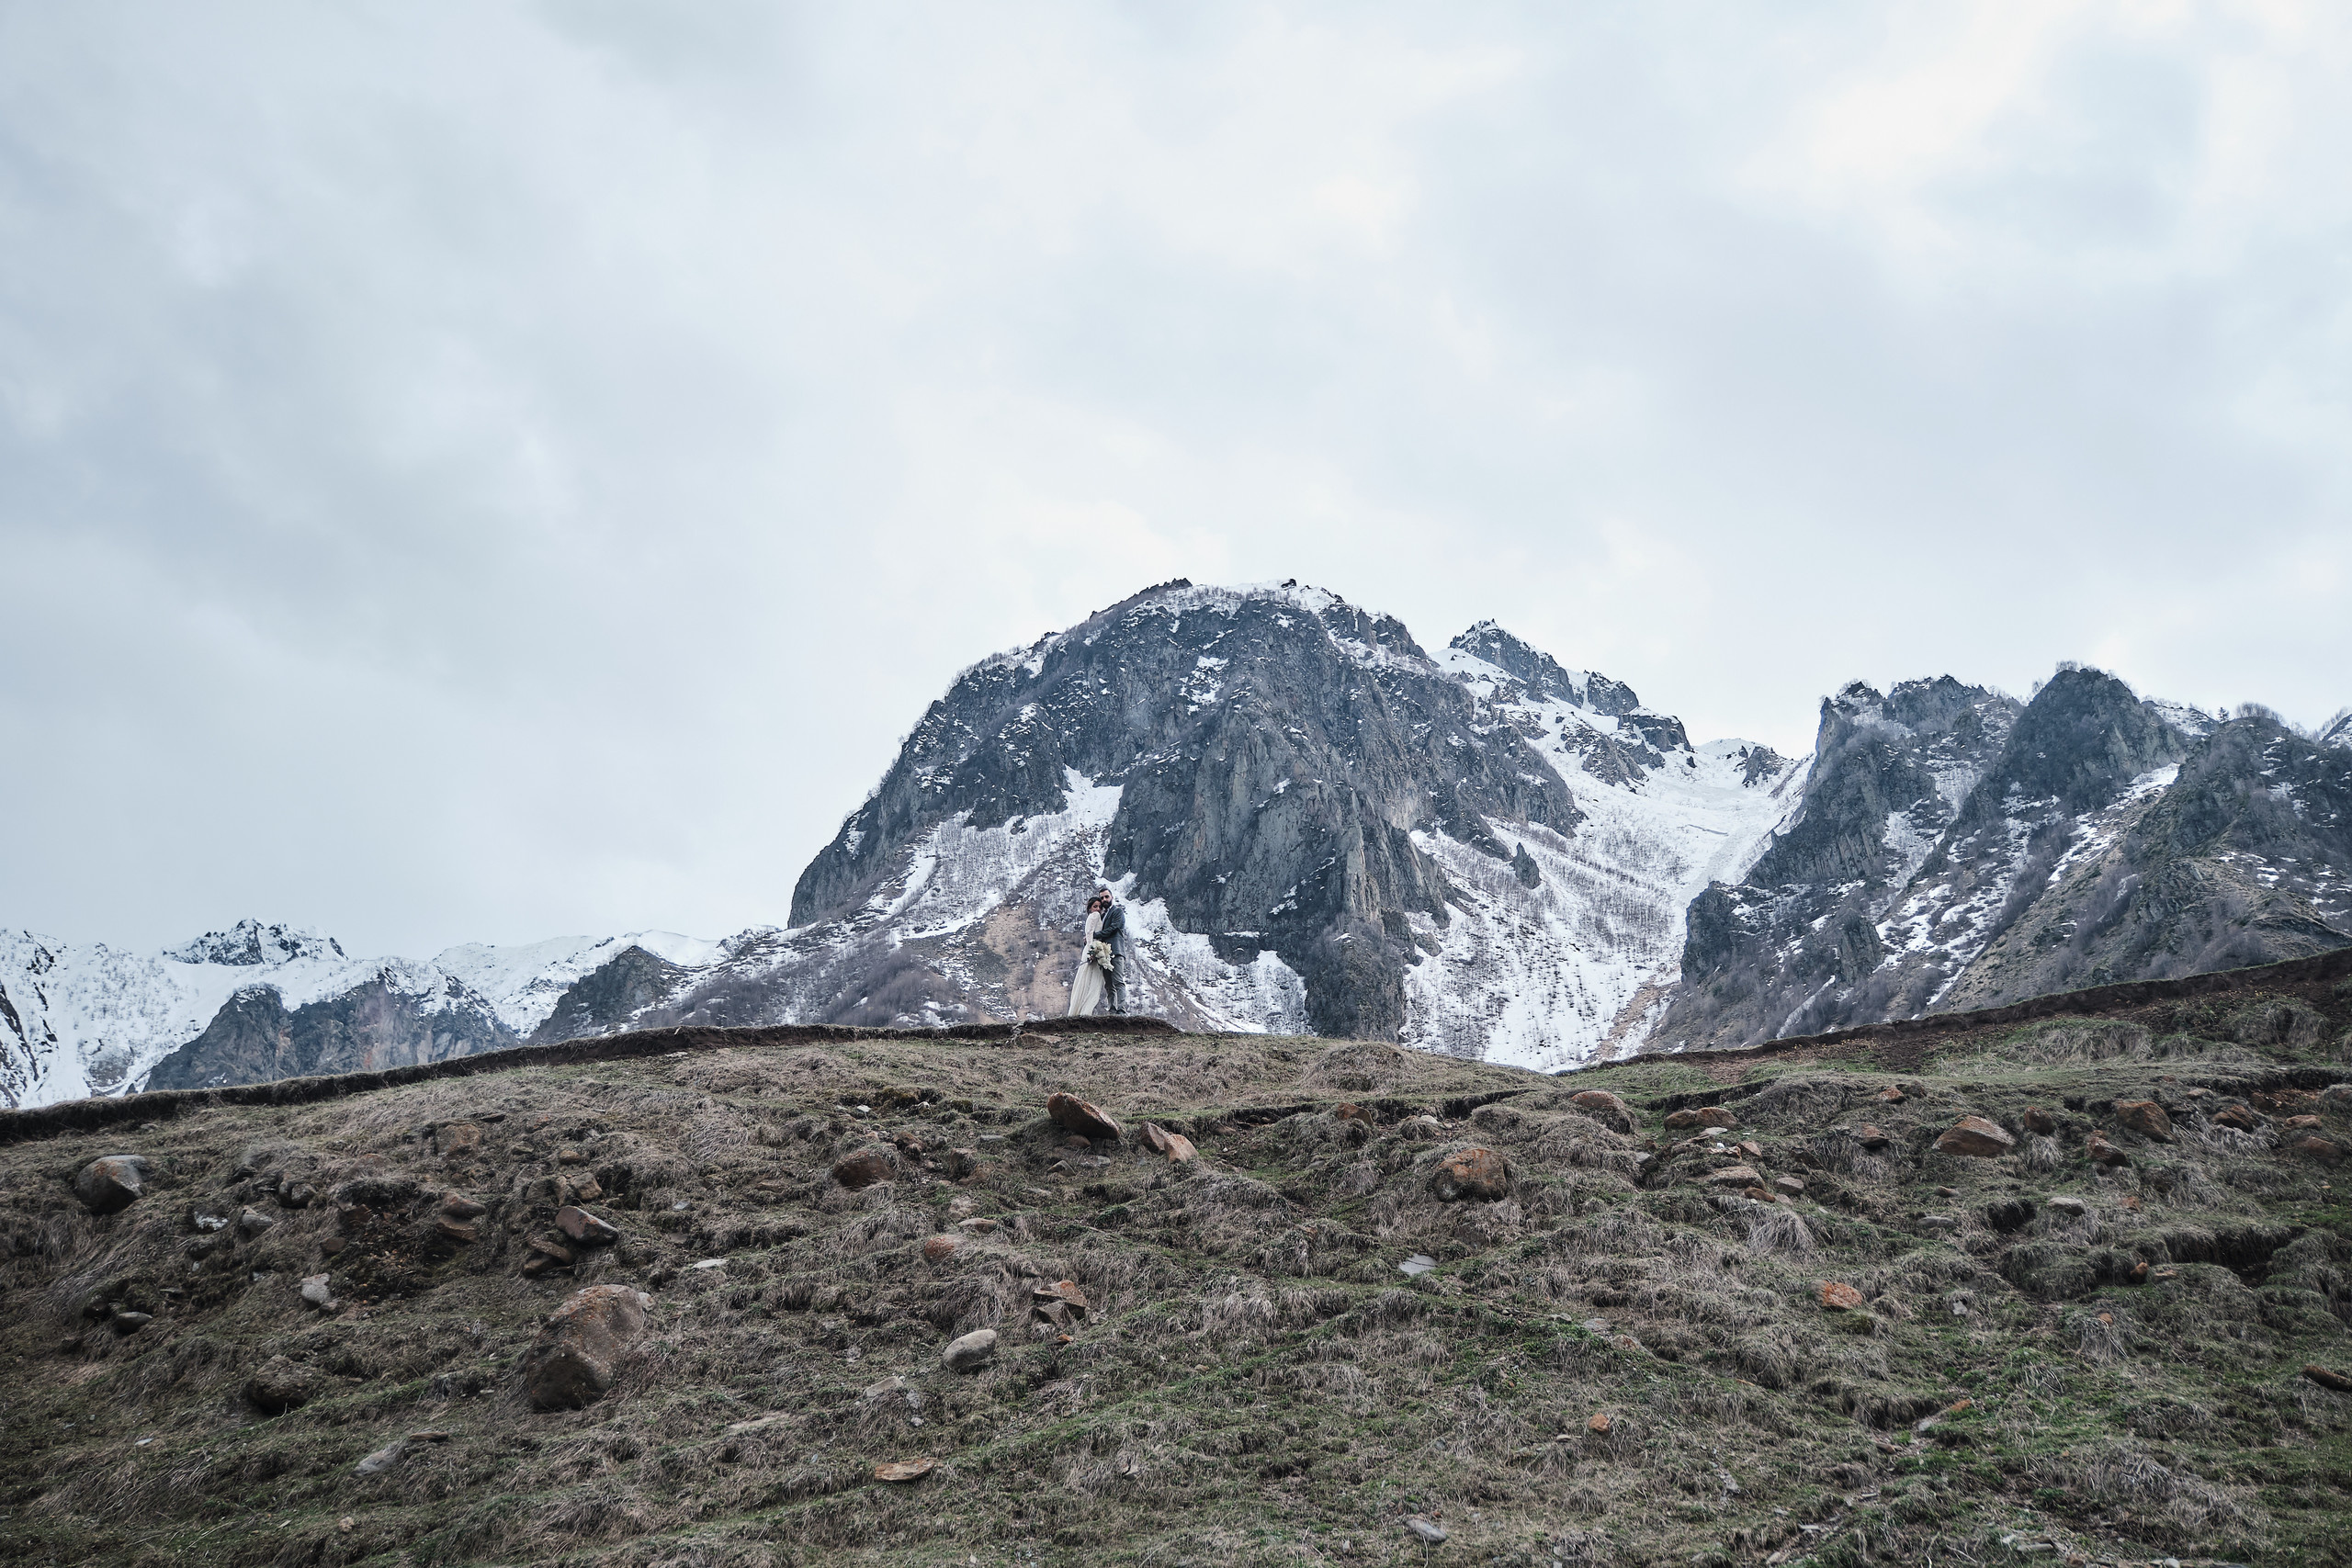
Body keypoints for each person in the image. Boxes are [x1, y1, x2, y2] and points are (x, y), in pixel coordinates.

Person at [1066, 891, 1109, 1016]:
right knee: (1092, 980)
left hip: (1092, 948)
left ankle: (1081, 1010)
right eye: (1095, 906)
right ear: (1090, 908)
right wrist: (1092, 951)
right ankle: (1085, 1011)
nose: (1098, 909)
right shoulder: (1095, 916)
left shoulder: (1094, 917)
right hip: (1092, 950)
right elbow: (1090, 933)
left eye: (1100, 907)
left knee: (1086, 979)